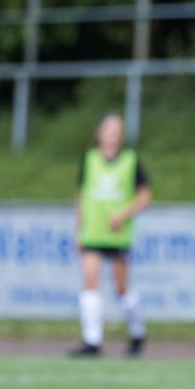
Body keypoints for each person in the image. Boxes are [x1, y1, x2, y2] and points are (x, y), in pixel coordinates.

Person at [69, 112, 152, 357]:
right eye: (109, 130)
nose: (113, 136)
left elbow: (145, 197)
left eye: (118, 131)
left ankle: (137, 332)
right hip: (93, 232)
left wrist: (123, 215)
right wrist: (78, 229)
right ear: (99, 133)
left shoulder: (131, 160)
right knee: (90, 282)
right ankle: (92, 341)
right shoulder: (90, 159)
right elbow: (82, 196)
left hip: (118, 235)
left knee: (122, 288)